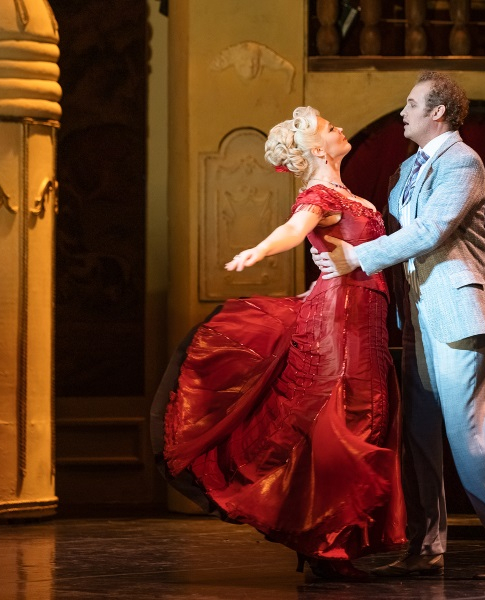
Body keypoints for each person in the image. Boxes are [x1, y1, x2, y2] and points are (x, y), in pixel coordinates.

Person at [150, 106, 406, 581]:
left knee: (364, 416)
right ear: (317, 149)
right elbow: (294, 230)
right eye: (329, 128)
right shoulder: (318, 194)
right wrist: (259, 250)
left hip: (361, 314)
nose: (338, 128)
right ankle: (326, 544)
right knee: (349, 418)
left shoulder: (348, 195)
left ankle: (326, 539)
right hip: (344, 320)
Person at [313, 71, 485, 580]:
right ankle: (427, 545)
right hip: (416, 313)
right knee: (419, 434)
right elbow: (390, 226)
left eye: (412, 104)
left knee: (467, 436)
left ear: (437, 112)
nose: (402, 112)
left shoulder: (463, 161)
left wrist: (358, 258)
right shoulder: (407, 167)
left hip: (457, 310)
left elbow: (431, 230)